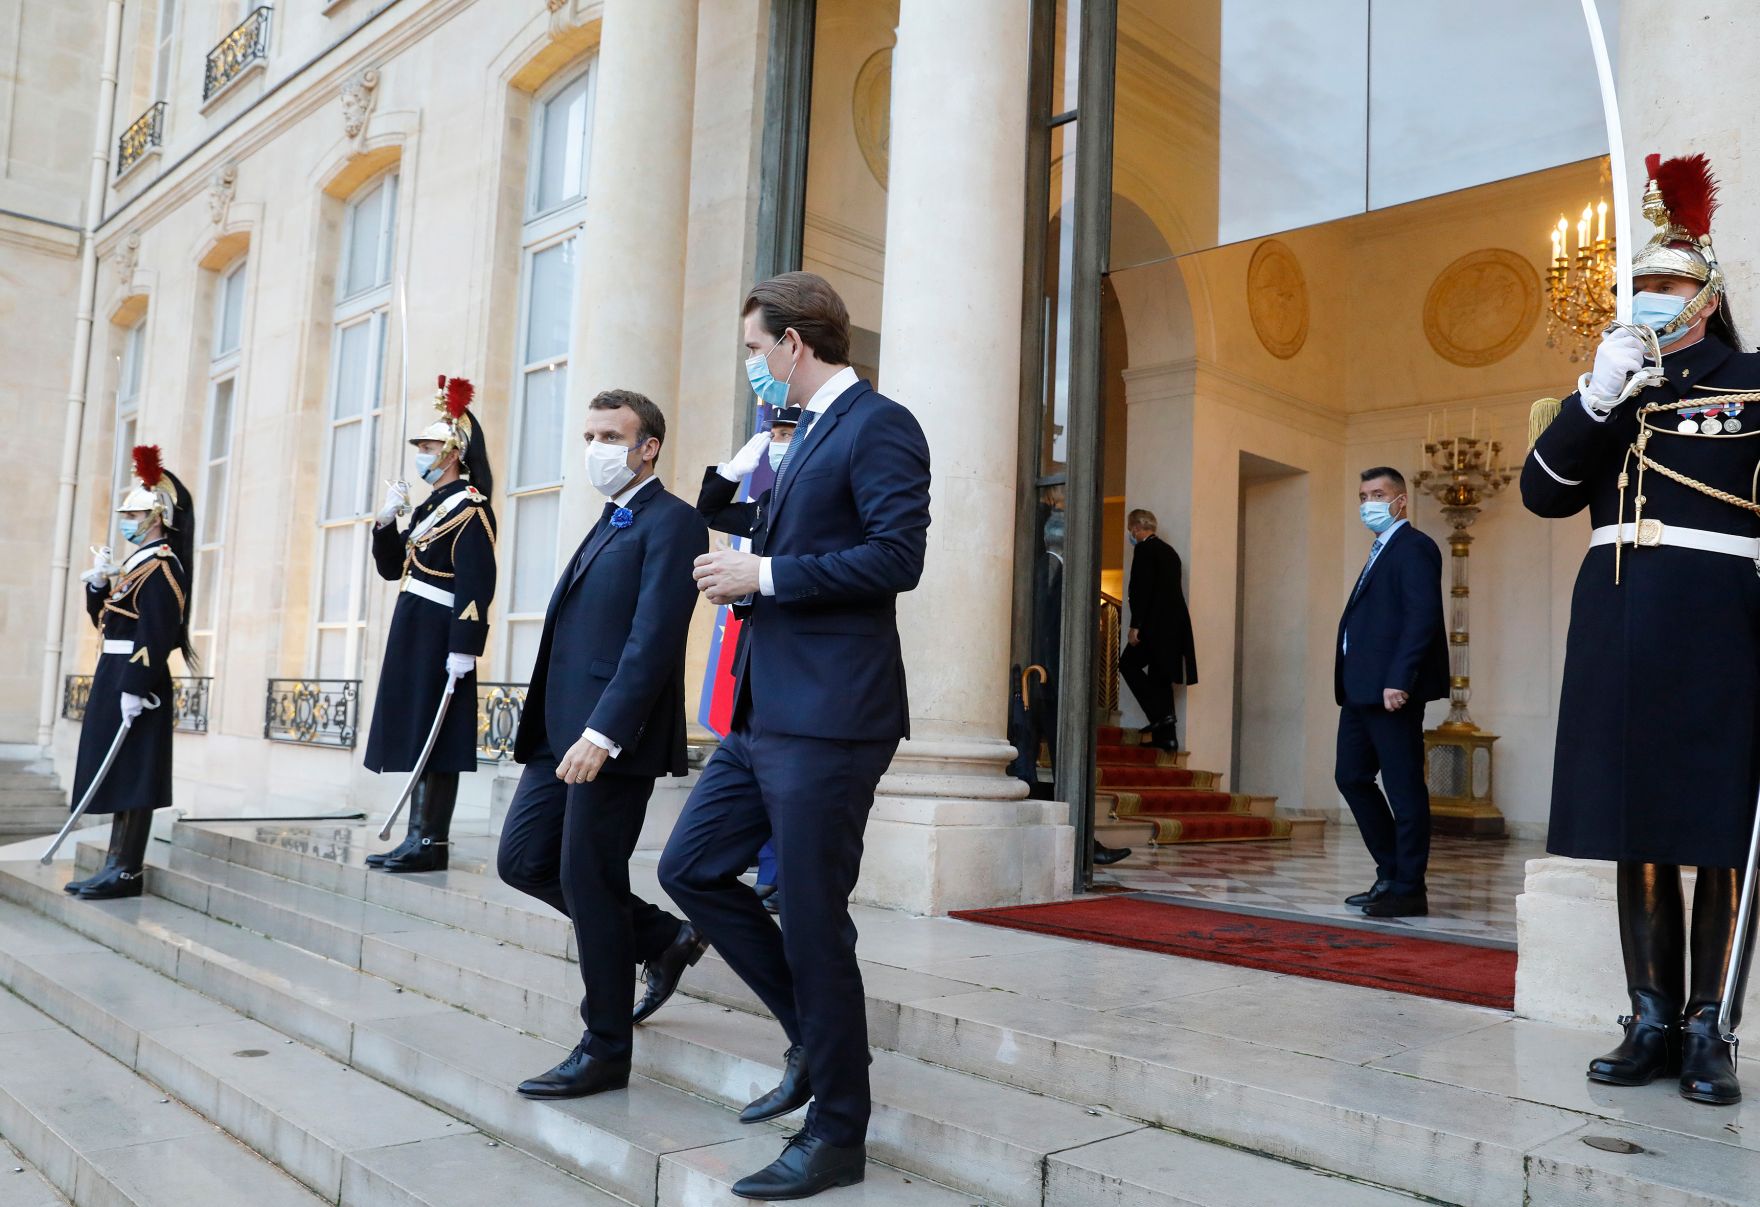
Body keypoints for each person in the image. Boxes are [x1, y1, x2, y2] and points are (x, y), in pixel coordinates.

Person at [661, 271, 931, 1200]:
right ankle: (816, 1039)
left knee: (816, 917)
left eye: (752, 348)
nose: (749, 365)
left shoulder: (879, 424)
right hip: (763, 711)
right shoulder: (798, 432)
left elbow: (899, 557)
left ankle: (838, 1135)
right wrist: (737, 499)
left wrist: (762, 576)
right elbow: (738, 515)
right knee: (689, 869)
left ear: (794, 343)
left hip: (832, 716)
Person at [1522, 152, 1759, 1106]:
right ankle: (1650, 1014)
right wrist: (1592, 398)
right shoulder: (1610, 387)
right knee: (1640, 824)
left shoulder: (1751, 380)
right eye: (1639, 286)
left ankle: (1710, 1026)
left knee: (1720, 828)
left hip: (1720, 620)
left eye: (1663, 285)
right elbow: (1543, 493)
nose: (1647, 299)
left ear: (1704, 297)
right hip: (1621, 618)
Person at [496, 388, 709, 1100]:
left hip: (609, 741)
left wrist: (603, 733)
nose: (597, 448)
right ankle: (660, 938)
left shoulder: (674, 521)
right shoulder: (610, 518)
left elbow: (652, 641)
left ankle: (604, 1047)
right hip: (558, 737)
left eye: (611, 435)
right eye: (590, 433)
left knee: (590, 879)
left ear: (648, 445)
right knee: (523, 859)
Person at [362, 376, 497, 874]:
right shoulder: (428, 507)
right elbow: (392, 567)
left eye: (430, 445)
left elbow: (477, 584)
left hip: (442, 628)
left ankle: (430, 840)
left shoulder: (471, 508)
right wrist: (386, 523)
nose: (422, 452)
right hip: (414, 625)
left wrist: (466, 645)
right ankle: (417, 836)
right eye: (419, 445)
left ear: (455, 451)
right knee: (420, 730)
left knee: (438, 735)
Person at [63, 446, 195, 900]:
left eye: (135, 513)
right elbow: (108, 621)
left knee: (134, 771)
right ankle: (114, 863)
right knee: (116, 768)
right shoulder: (135, 565)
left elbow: (157, 632)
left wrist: (135, 686)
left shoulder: (161, 565)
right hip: (115, 670)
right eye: (125, 513)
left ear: (156, 517)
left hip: (137, 678)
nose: (126, 520)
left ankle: (126, 869)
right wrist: (98, 585)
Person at [697, 407, 804, 913]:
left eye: (789, 435)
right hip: (754, 653)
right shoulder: (764, 504)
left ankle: (784, 876)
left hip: (797, 657)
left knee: (788, 782)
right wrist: (733, 471)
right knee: (757, 773)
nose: (779, 443)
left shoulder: (809, 504)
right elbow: (711, 512)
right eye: (775, 434)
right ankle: (767, 871)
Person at [1333, 466, 1448, 919]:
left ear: (1400, 500)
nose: (1368, 504)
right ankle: (1389, 872)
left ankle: (1408, 887)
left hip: (1390, 691)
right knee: (1351, 777)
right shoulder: (1380, 550)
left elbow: (1422, 617)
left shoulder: (1415, 547)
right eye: (1362, 496)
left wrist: (1400, 678)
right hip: (1359, 690)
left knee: (1403, 789)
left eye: (1377, 494)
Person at [1119, 508, 1197, 751]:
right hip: (1174, 627)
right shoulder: (1170, 552)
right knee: (1160, 677)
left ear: (1135, 528)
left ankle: (1160, 715)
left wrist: (1135, 626)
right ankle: (1168, 739)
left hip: (1153, 625)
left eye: (1131, 528)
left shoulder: (1144, 550)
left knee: (1128, 665)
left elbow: (1142, 591)